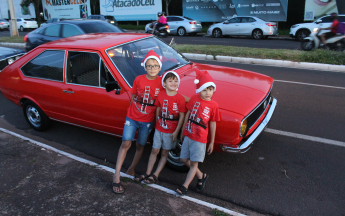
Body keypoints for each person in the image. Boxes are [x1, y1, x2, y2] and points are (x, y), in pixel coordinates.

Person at [112, 50, 163, 194]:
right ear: (144, 67)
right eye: (149, 65)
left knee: (140, 145)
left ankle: (132, 168)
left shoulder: (161, 82)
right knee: (126, 143)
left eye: (155, 66)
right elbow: (133, 96)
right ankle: (116, 176)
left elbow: (171, 94)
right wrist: (132, 112)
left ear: (159, 67)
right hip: (132, 117)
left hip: (147, 121)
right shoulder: (138, 79)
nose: (152, 68)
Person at [134, 71, 186, 184]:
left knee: (164, 153)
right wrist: (157, 123)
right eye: (170, 81)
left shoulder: (180, 98)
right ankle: (148, 172)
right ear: (165, 83)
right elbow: (158, 108)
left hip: (171, 131)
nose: (173, 83)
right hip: (159, 129)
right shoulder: (161, 94)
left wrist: (177, 132)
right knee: (154, 150)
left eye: (176, 81)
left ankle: (155, 174)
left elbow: (182, 115)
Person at [176, 69, 220, 196]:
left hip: (200, 138)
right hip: (189, 134)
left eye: (210, 90)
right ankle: (201, 176)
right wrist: (183, 131)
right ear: (199, 89)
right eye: (205, 89)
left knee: (194, 163)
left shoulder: (214, 105)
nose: (208, 93)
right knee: (183, 159)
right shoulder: (194, 98)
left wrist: (211, 142)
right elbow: (188, 113)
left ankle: (185, 186)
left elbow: (213, 123)